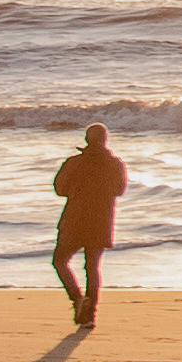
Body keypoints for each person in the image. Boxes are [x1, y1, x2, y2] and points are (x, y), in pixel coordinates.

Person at [50, 121, 128, 328]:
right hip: (101, 220)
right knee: (92, 267)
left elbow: (59, 189)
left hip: (75, 219)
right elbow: (119, 190)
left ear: (86, 140)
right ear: (105, 140)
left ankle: (77, 300)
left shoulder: (74, 163)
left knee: (60, 261)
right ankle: (90, 314)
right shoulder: (115, 164)